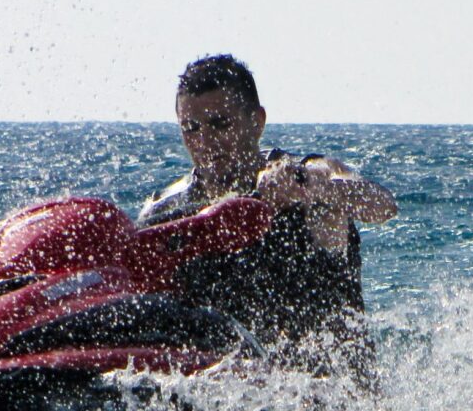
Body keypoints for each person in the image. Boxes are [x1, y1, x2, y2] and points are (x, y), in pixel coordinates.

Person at [137, 54, 397, 382]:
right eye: (191, 129)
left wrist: (308, 185)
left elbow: (382, 206)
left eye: (220, 124)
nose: (205, 142)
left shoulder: (307, 173)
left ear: (257, 122)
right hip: (233, 397)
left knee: (324, 211)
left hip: (333, 392)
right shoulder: (166, 214)